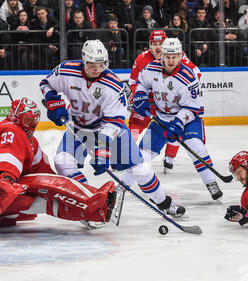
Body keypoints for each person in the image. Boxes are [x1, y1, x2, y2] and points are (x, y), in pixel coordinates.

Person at [39, 39, 186, 218]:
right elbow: (46, 84)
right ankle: (89, 203)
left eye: (101, 64)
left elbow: (113, 123)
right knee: (62, 161)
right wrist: (53, 101)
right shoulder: (66, 71)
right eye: (92, 64)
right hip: (79, 128)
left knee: (140, 170)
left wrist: (102, 150)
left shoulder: (113, 85)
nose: (97, 69)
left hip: (110, 131)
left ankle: (163, 202)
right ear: (84, 61)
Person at [0, 98, 124, 230]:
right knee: (48, 196)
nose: (32, 125)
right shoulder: (10, 130)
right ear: (16, 117)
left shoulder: (31, 142)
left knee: (48, 192)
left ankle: (89, 209)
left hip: (2, 190)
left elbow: (43, 173)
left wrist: (56, 180)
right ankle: (92, 206)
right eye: (28, 121)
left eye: (35, 121)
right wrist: (4, 181)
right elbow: (5, 157)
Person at [132, 37, 223, 200]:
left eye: (174, 56)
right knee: (141, 154)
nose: (171, 60)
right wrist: (140, 94)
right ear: (162, 56)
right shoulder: (150, 68)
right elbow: (142, 83)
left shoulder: (188, 77)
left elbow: (191, 108)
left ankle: (211, 182)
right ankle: (125, 185)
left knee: (196, 148)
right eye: (167, 56)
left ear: (180, 56)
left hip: (188, 120)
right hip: (161, 119)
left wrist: (178, 123)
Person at [127, 29, 201, 172]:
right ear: (149, 45)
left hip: (169, 102)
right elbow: (133, 80)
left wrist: (185, 92)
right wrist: (139, 96)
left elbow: (196, 73)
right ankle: (127, 154)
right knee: (135, 124)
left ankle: (169, 157)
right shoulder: (141, 58)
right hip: (148, 102)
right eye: (154, 43)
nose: (158, 47)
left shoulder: (178, 56)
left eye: (160, 43)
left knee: (173, 127)